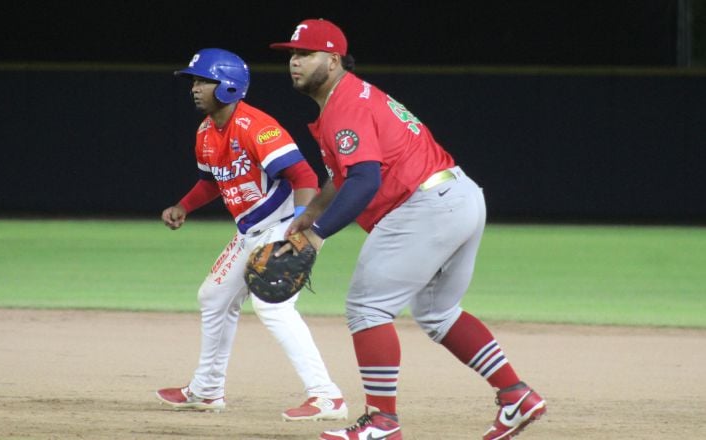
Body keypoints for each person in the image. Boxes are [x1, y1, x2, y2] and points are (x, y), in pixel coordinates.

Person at [270, 19, 546, 440]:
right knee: (437, 312)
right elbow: (347, 175)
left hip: (423, 205)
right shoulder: (350, 98)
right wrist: (313, 212)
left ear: (333, 58)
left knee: (367, 308)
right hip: (458, 196)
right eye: (292, 54)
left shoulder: (346, 104)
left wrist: (318, 233)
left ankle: (382, 423)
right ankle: (516, 396)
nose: (295, 62)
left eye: (304, 54)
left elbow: (365, 180)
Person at [155, 48, 347, 422]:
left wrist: (298, 229)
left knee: (272, 306)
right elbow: (211, 182)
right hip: (250, 229)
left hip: (281, 223)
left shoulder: (258, 126)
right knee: (213, 297)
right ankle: (207, 390)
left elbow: (304, 177)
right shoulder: (206, 132)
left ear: (227, 87)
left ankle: (327, 397)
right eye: (193, 81)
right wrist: (184, 206)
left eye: (203, 81)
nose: (194, 88)